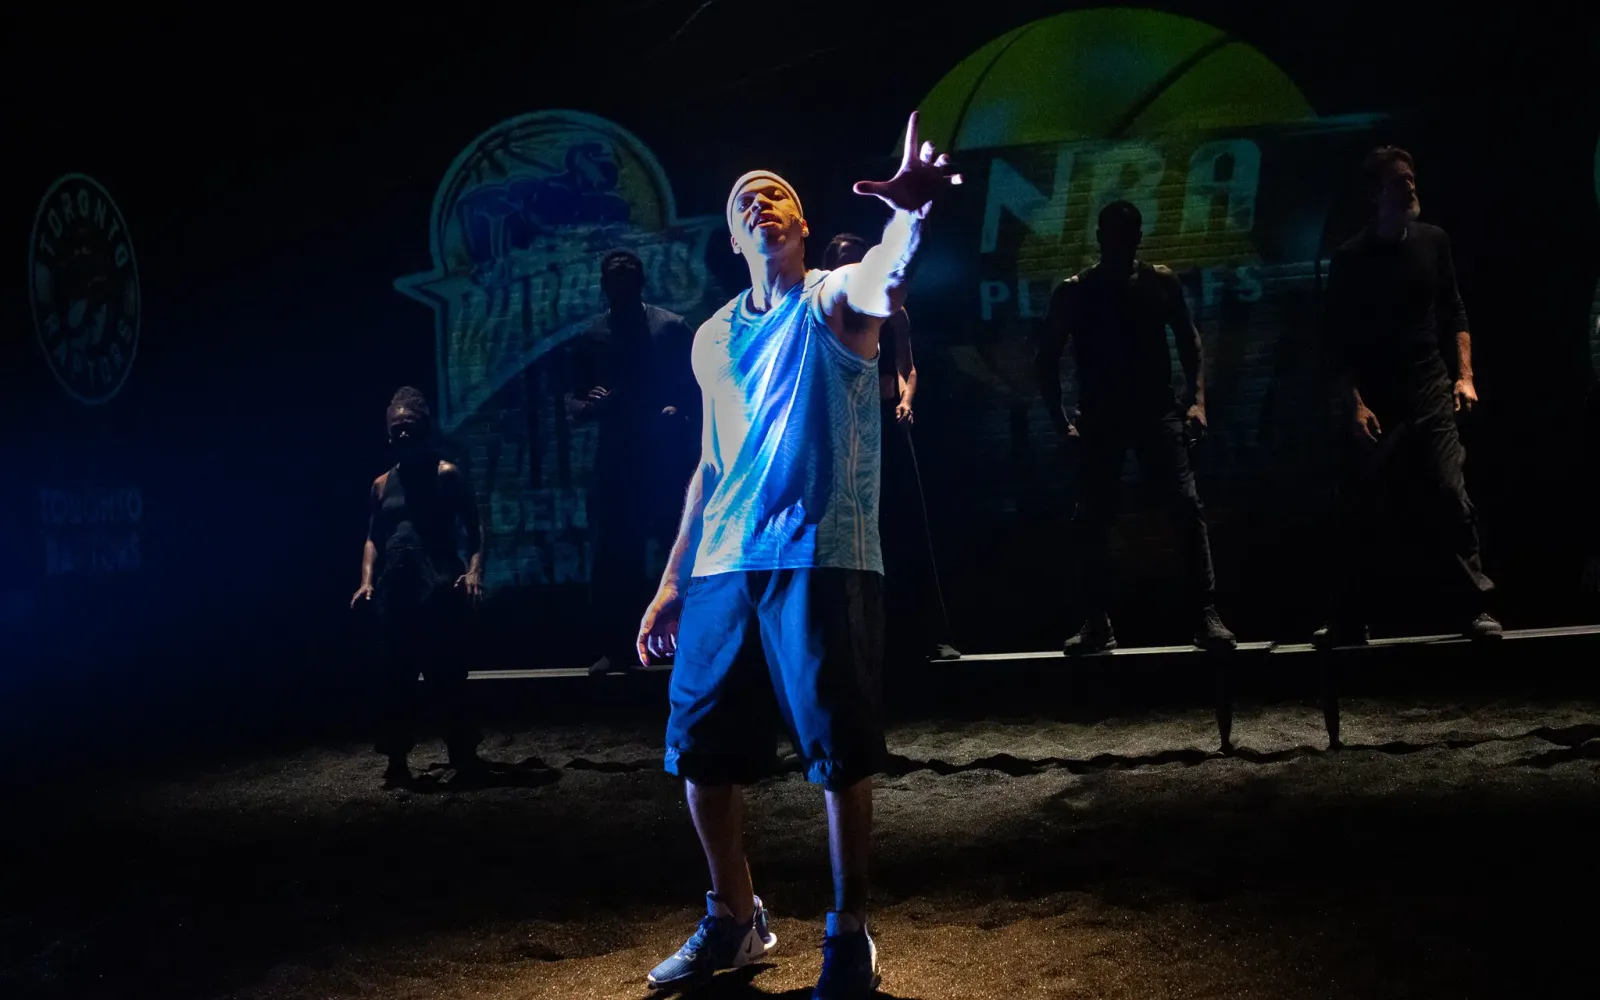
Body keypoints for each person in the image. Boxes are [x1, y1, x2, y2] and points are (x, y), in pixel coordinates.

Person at [634, 113, 958, 998]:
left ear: (801, 222)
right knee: (698, 753)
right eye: (744, 199)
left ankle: (848, 932)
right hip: (722, 567)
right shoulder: (711, 338)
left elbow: (883, 279)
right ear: (731, 232)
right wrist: (669, 584)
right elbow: (708, 466)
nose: (759, 202)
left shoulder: (831, 300)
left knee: (837, 755)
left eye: (774, 193)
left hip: (823, 552)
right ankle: (734, 918)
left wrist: (910, 219)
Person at [1315, 147, 1501, 646]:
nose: (1411, 187)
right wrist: (1354, 404)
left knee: (1447, 489)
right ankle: (1349, 619)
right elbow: (1336, 342)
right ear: (1375, 195)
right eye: (1400, 181)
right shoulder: (1351, 260)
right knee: (1360, 504)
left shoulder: (1433, 241)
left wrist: (1465, 376)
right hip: (1378, 392)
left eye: (1412, 178)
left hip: (1428, 385)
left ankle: (1475, 607)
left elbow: (1454, 312)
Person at [1035, 200, 1236, 654]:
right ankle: (1096, 622)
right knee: (1091, 518)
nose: (1121, 240)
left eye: (1129, 232)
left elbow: (1189, 340)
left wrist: (1197, 402)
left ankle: (1205, 616)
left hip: (1156, 412)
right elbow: (1045, 357)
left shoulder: (1159, 282)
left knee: (1185, 507)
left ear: (1137, 237)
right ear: (1101, 236)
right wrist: (1060, 421)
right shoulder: (1075, 291)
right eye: (1113, 231)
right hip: (1101, 417)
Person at [821, 232, 960, 665]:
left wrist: (905, 399)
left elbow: (906, 366)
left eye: (859, 259)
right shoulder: (825, 312)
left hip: (886, 423)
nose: (853, 266)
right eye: (845, 260)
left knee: (908, 524)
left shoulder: (890, 307)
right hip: (844, 432)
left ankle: (932, 634)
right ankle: (850, 641)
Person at [566, 249, 698, 675]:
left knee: (676, 550)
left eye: (629, 276)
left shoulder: (671, 329)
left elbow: (702, 387)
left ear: (642, 281)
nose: (621, 284)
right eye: (613, 278)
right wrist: (592, 406)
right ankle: (618, 648)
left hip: (666, 461)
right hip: (618, 462)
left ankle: (693, 644)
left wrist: (679, 412)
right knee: (615, 556)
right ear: (604, 285)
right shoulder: (591, 336)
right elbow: (572, 404)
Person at [350, 387, 487, 786]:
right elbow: (373, 536)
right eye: (397, 429)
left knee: (447, 674)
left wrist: (475, 571)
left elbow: (476, 528)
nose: (403, 435)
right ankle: (396, 760)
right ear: (388, 434)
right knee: (395, 676)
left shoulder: (446, 475)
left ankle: (463, 755)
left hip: (439, 585)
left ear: (424, 428)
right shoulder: (381, 484)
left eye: (410, 427)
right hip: (397, 590)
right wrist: (366, 581)